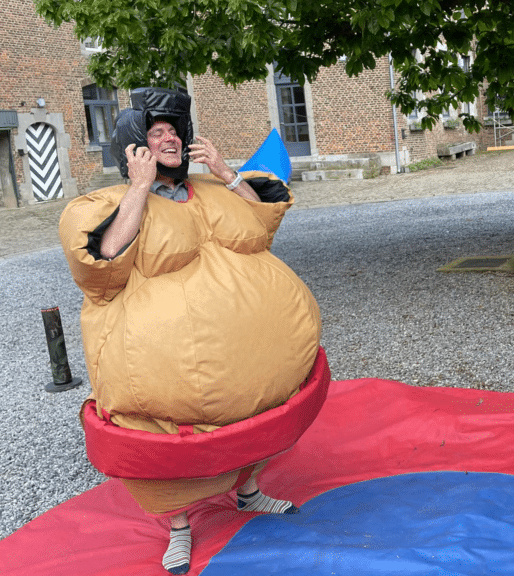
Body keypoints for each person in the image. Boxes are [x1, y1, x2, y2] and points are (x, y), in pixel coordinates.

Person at [59, 88, 325, 574]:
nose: (171, 139)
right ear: (133, 149)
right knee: (168, 444)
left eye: (175, 132)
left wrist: (227, 171)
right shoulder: (104, 204)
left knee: (256, 420)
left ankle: (248, 493)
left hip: (254, 364)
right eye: (157, 133)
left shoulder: (211, 188)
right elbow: (102, 264)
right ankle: (179, 530)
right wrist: (139, 187)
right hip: (161, 375)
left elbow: (260, 224)